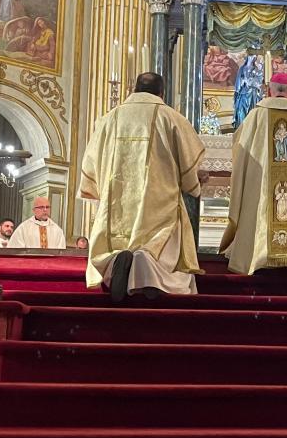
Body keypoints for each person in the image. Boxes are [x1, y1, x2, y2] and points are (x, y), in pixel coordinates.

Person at [81, 72, 206, 301]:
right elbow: (188, 166)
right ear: (161, 92)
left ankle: (118, 263)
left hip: (117, 198)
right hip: (158, 198)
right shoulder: (171, 118)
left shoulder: (109, 118)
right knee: (154, 244)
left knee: (116, 240)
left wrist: (102, 189)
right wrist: (194, 183)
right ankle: (149, 277)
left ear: (133, 88)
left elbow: (92, 161)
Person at [220, 71, 287, 277]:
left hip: (262, 185)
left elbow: (240, 149)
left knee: (262, 205)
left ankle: (258, 255)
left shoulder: (255, 116)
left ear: (268, 90)